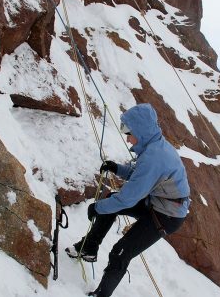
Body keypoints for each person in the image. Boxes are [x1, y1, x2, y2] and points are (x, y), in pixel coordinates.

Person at [65, 103, 190, 297]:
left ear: (140, 131)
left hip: (167, 216)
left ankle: (101, 295)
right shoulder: (154, 147)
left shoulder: (154, 156)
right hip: (157, 203)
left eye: (128, 132)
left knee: (121, 251)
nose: (127, 138)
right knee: (111, 203)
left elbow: (128, 199)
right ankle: (89, 248)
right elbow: (140, 175)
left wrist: (97, 208)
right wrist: (117, 168)